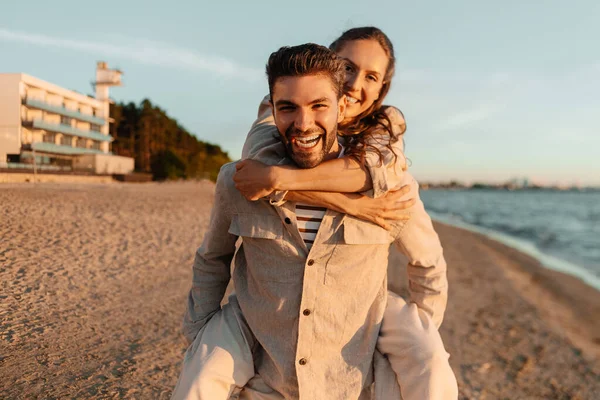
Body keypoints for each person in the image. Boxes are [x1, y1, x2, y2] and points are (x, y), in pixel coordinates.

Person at [172, 43, 457, 400]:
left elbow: (428, 264)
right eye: (287, 108)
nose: (303, 123)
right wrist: (198, 331)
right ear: (271, 109)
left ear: (341, 105)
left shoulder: (389, 187)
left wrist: (422, 335)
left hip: (350, 376)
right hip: (263, 358)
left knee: (433, 367)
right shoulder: (243, 178)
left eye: (319, 106)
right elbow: (212, 259)